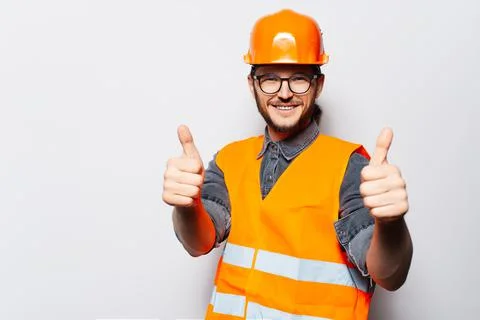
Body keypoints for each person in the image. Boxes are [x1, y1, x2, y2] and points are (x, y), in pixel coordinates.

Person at [162, 8, 413, 320]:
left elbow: (390, 273)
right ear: (252, 84)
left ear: (318, 85)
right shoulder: (229, 159)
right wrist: (186, 207)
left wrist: (391, 224)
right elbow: (199, 242)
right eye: (269, 78)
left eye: (298, 79)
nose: (283, 93)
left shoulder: (351, 167)